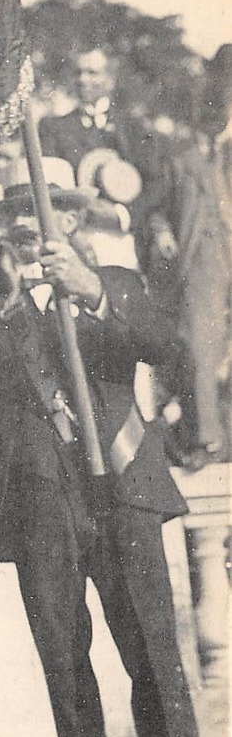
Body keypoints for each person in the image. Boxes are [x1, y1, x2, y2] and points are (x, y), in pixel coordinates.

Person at [0, 175, 228, 737]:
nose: (29, 229)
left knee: (155, 662)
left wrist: (93, 295)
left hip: (122, 494)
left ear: (73, 220)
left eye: (44, 215)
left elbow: (169, 346)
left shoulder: (118, 283)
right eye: (13, 220)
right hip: (40, 506)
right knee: (64, 661)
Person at [39, 46, 177, 272]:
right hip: (75, 241)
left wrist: (122, 216)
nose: (83, 80)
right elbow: (50, 190)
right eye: (78, 72)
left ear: (110, 79)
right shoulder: (53, 129)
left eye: (92, 72)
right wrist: (73, 233)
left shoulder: (135, 129)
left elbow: (156, 187)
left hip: (127, 242)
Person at [159, 44, 232, 463]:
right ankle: (206, 438)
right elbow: (154, 207)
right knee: (201, 346)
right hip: (203, 259)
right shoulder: (181, 158)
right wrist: (162, 231)